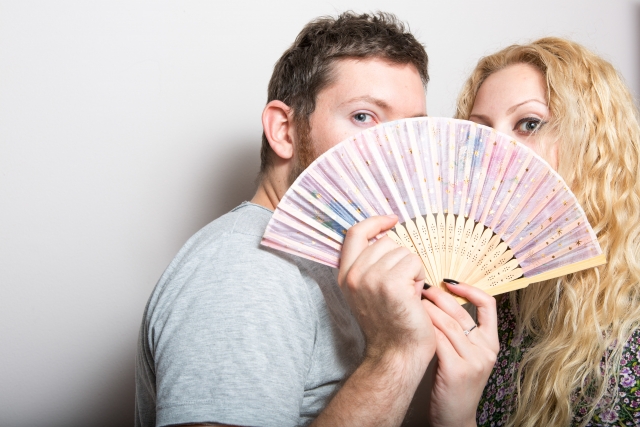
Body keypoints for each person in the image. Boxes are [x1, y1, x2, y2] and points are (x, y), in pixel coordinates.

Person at [135, 12, 498, 427]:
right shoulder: (246, 272)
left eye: (411, 130)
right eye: (364, 117)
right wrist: (396, 354)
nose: (398, 151)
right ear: (284, 130)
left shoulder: (356, 264)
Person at [456, 37, 640, 426]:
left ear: (591, 144)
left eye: (528, 124)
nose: (495, 149)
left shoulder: (631, 323)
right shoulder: (502, 297)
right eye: (481, 131)